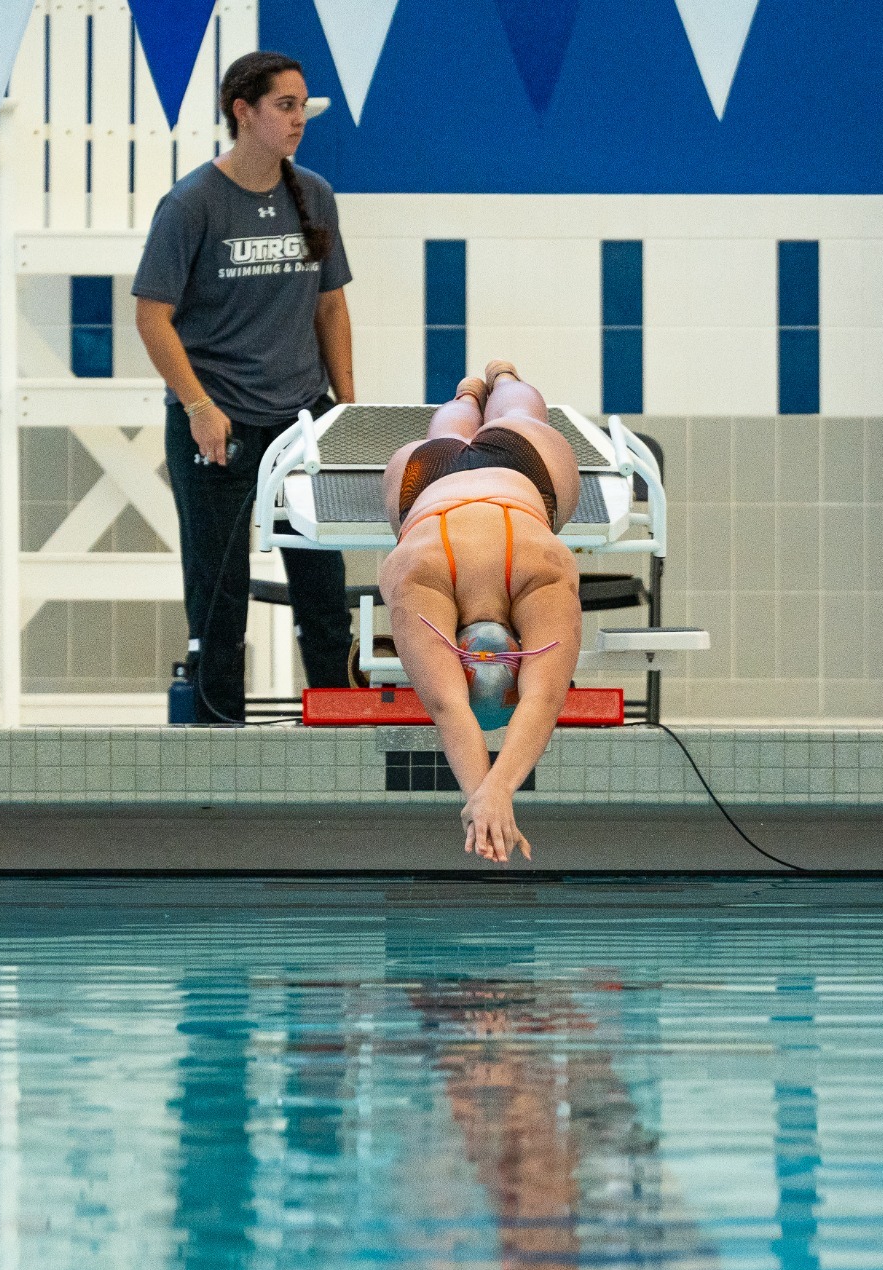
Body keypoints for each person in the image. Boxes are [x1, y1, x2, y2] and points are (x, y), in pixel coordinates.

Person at [134, 51, 354, 723]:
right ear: (243, 112)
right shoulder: (191, 205)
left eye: (302, 106)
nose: (299, 119)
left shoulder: (313, 195)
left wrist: (345, 410)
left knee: (324, 593)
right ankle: (218, 741)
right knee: (219, 598)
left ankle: (337, 730)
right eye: (285, 106)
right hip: (218, 420)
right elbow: (151, 315)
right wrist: (198, 405)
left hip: (300, 419)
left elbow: (331, 307)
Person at [379, 362, 582, 864]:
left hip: (522, 472)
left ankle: (503, 378)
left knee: (520, 415)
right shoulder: (413, 577)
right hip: (425, 477)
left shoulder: (547, 570)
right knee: (446, 437)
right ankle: (469, 394)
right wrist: (487, 796)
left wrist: (494, 793)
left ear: (519, 656)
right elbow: (449, 708)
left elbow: (541, 698)